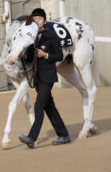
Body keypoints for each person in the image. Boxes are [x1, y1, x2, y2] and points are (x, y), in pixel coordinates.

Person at [19, 8, 70, 148]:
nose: (37, 21)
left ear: (45, 21)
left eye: (39, 18)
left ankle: (31, 138)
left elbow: (59, 55)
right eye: (34, 19)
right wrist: (25, 56)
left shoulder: (51, 35)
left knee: (39, 106)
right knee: (50, 108)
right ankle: (64, 135)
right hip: (37, 78)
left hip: (48, 77)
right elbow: (30, 57)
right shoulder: (32, 37)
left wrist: (45, 55)